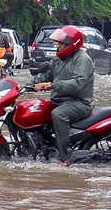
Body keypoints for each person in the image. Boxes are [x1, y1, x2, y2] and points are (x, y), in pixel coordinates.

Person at [33, 25, 94, 165]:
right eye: (57, 43)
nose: (57, 46)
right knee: (37, 109)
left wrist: (52, 85)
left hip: (80, 103)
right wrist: (22, 86)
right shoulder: (58, 59)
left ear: (71, 44)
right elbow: (45, 76)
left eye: (60, 43)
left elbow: (78, 83)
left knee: (58, 114)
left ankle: (64, 157)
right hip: (60, 101)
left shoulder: (83, 59)